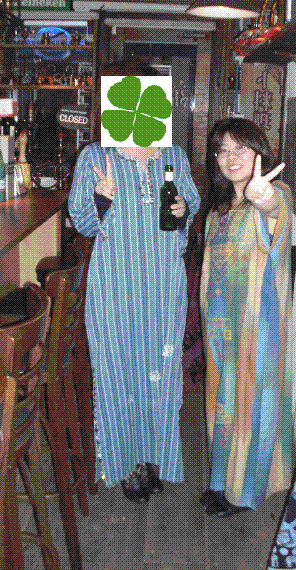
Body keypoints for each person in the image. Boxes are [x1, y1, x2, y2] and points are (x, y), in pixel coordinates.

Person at [68, 59, 200, 503]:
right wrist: (99, 199)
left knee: (160, 376)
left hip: (163, 287)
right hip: (116, 288)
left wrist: (183, 211)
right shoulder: (95, 157)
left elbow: (188, 214)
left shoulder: (173, 157)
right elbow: (83, 223)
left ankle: (153, 457)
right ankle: (126, 465)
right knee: (118, 376)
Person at [199, 117, 293, 517]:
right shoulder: (220, 208)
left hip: (255, 324)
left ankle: (246, 492)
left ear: (260, 153)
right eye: (222, 150)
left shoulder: (274, 194)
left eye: (240, 148)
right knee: (222, 403)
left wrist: (264, 198)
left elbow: (275, 211)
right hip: (220, 324)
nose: (230, 157)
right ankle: (223, 481)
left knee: (250, 403)